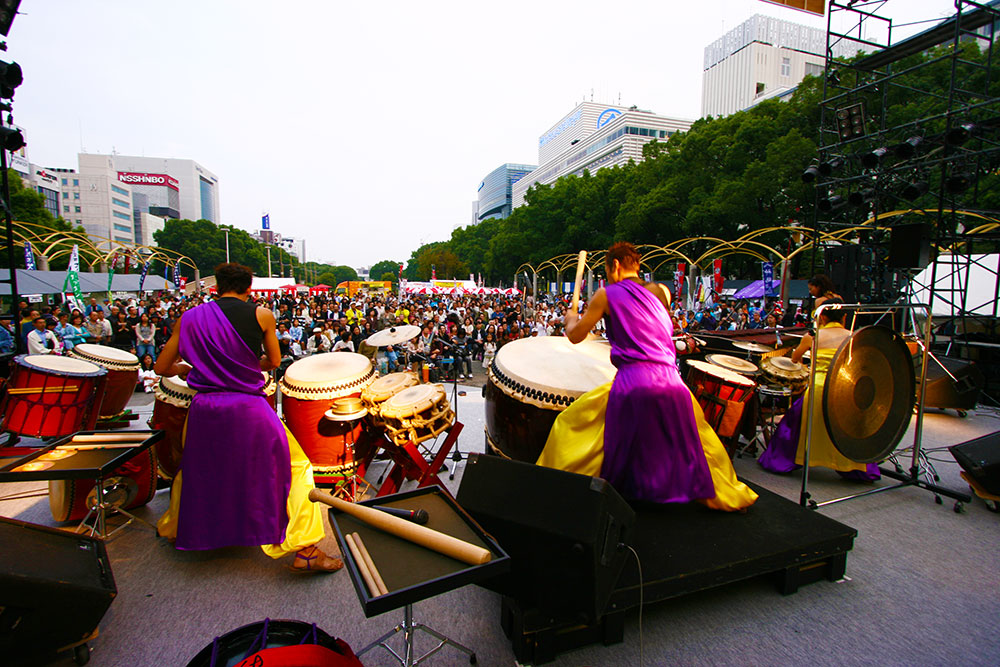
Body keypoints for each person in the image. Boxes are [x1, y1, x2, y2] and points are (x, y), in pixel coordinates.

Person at [538, 242, 757, 511]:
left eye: (607, 271)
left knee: (572, 426)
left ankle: (557, 489)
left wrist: (571, 317)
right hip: (673, 382)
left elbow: (575, 336)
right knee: (697, 445)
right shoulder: (659, 294)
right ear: (637, 266)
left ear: (615, 266)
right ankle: (716, 493)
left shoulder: (606, 294)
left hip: (635, 382)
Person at [155, 262, 341, 572]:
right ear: (249, 288)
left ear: (216, 287)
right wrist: (244, 367)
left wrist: (187, 369)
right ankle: (305, 550)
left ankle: (179, 529)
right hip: (247, 408)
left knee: (199, 469)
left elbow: (161, 368)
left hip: (205, 410)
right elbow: (274, 361)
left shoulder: (188, 318)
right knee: (294, 467)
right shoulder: (261, 314)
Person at [758, 298, 880, 480]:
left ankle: (788, 460)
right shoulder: (853, 336)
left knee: (794, 424)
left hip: (818, 388)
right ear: (844, 317)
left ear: (822, 317)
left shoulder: (813, 336)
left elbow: (795, 358)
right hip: (844, 388)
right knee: (847, 429)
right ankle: (853, 467)